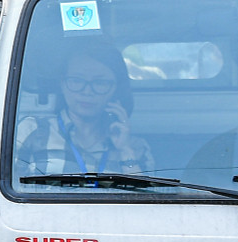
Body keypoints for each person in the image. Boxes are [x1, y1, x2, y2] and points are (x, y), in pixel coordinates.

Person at [13, 46, 151, 176]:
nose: (87, 91)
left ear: (116, 89)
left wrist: (125, 150)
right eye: (77, 81)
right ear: (62, 84)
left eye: (100, 83)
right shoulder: (32, 131)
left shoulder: (136, 146)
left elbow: (145, 191)